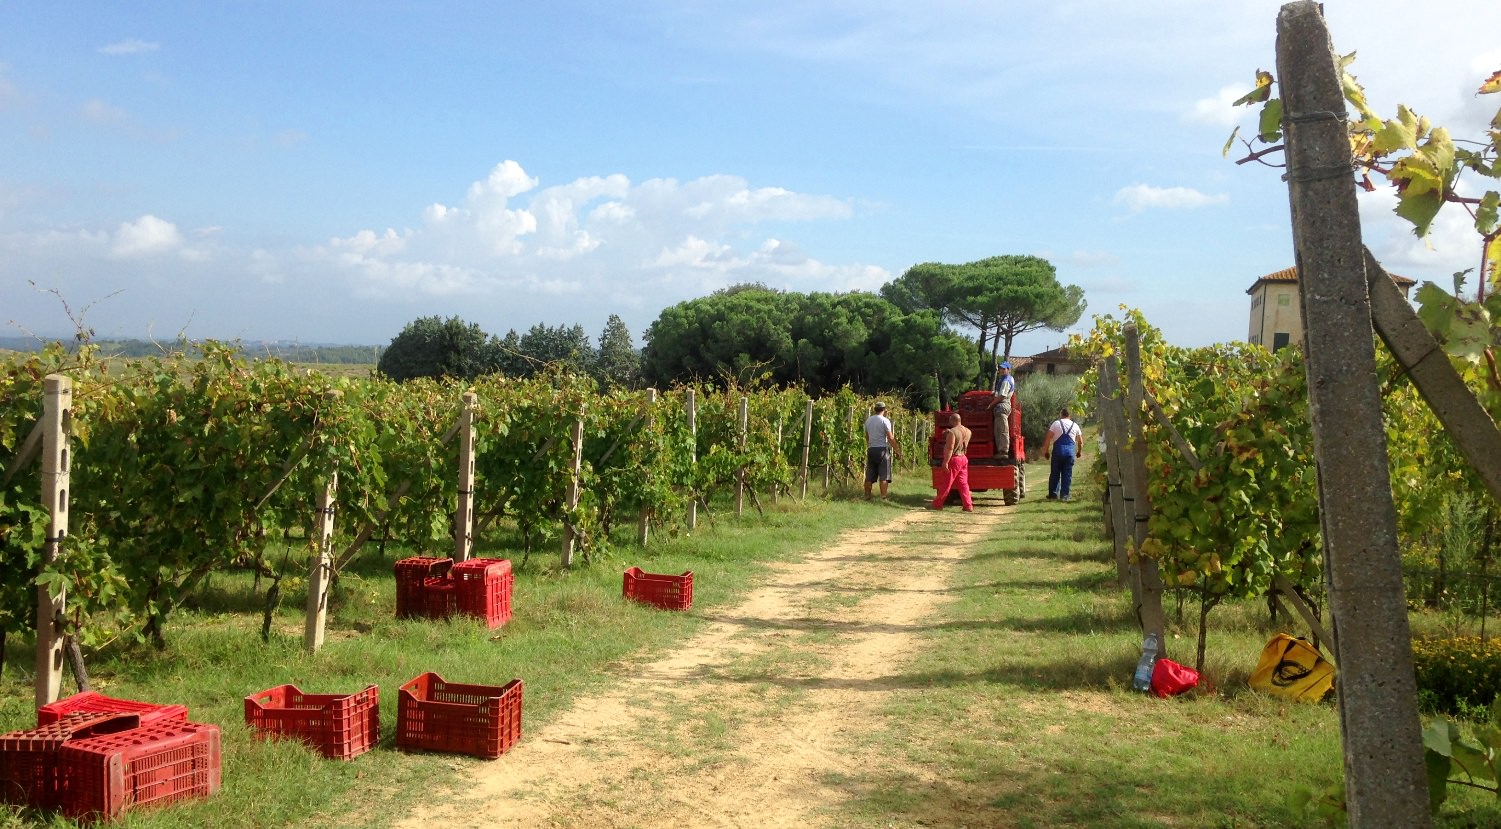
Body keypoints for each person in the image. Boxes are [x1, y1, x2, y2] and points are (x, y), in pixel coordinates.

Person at [929, 412, 974, 512]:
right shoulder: (968, 431)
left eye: (950, 421)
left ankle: (937, 504)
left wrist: (945, 462)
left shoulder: (952, 432)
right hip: (964, 458)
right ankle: (968, 505)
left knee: (946, 483)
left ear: (953, 420)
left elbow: (950, 448)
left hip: (954, 459)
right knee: (963, 484)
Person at [1042, 407, 1084, 502]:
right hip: (1069, 453)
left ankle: (1053, 495)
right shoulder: (1075, 425)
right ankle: (1065, 496)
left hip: (1058, 452)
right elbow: (1080, 442)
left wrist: (1046, 451)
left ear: (1061, 414)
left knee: (1055, 474)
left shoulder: (1056, 424)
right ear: (1070, 415)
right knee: (1067, 474)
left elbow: (1048, 438)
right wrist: (1079, 452)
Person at [863, 401, 898, 500]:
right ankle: (883, 496)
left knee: (869, 475)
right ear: (884, 410)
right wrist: (897, 450)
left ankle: (867, 496)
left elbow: (867, 436)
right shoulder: (885, 421)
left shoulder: (868, 421)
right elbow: (890, 437)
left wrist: (870, 445)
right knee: (884, 475)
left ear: (875, 409)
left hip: (871, 449)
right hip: (882, 449)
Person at [991, 360, 1015, 459]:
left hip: (1002, 405)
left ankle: (1003, 451)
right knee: (998, 429)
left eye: (1003, 369)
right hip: (1001, 405)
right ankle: (1001, 451)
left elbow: (1001, 396)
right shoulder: (1006, 379)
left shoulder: (1005, 381)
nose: (1001, 370)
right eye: (1000, 368)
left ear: (1008, 370)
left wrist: (991, 405)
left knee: (1002, 429)